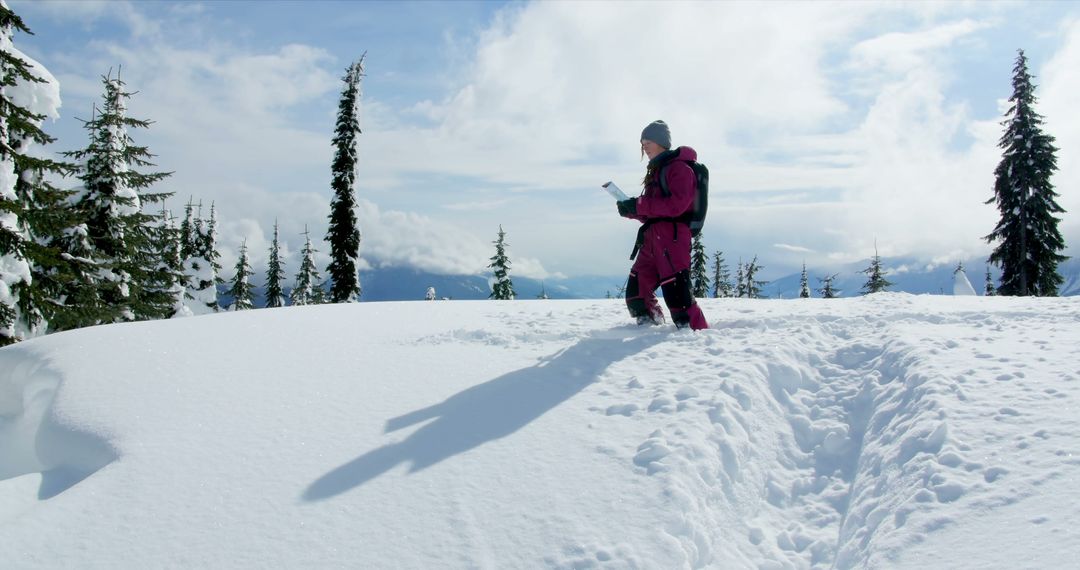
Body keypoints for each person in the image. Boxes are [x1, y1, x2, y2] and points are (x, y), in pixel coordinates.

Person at [616, 120, 709, 330]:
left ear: (661, 142)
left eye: (647, 141)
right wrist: (632, 210)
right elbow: (654, 211)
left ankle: (698, 339)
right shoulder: (657, 171)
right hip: (652, 241)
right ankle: (648, 330)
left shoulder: (679, 169)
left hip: (673, 239)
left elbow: (676, 205)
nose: (644, 146)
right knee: (636, 294)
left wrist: (639, 205)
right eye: (642, 142)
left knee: (679, 298)